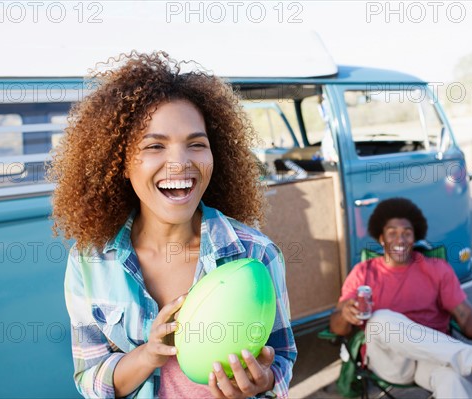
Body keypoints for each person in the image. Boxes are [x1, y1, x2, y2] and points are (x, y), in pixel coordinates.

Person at [49, 51, 296, 399]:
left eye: (196, 144)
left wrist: (263, 382)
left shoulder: (257, 253)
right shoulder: (89, 262)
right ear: (119, 161)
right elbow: (90, 380)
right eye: (155, 145)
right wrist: (148, 354)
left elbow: (282, 359)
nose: (179, 163)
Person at [330, 198, 472, 399]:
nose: (400, 240)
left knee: (450, 379)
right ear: (381, 238)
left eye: (407, 233)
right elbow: (336, 327)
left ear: (414, 237)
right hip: (391, 361)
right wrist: (346, 315)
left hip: (433, 356)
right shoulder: (363, 272)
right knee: (379, 319)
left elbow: (465, 315)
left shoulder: (436, 269)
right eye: (392, 233)